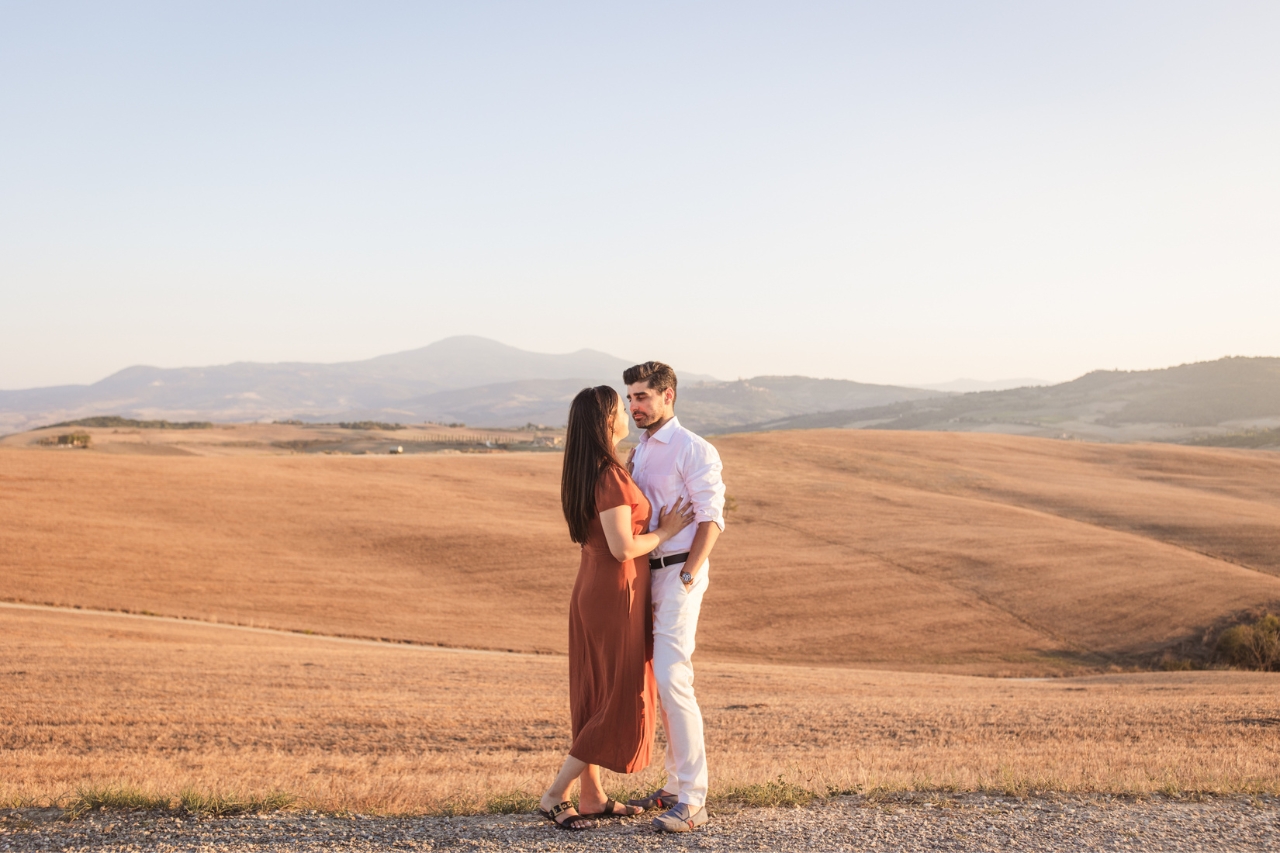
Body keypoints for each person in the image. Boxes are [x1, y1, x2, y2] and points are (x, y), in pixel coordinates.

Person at [538, 385, 696, 831]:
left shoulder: (591, 469)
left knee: (592, 696)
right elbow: (624, 548)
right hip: (613, 592)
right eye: (620, 406)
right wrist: (665, 532)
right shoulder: (609, 475)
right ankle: (555, 795)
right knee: (616, 696)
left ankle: (592, 797)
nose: (630, 411)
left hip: (592, 587)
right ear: (608, 422)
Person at [622, 361, 726, 833]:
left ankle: (694, 799)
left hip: (678, 576)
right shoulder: (639, 451)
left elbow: (711, 518)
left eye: (642, 397)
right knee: (662, 685)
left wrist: (687, 576)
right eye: (629, 398)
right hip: (646, 576)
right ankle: (672, 787)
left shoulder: (693, 448)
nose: (633, 406)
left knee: (673, 678)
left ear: (668, 396)